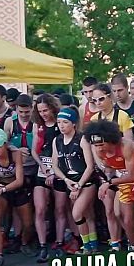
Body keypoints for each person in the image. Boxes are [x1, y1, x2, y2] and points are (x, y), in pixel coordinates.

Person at [84, 120, 134, 251]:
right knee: (127, 220)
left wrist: (109, 183)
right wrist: (106, 179)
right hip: (124, 182)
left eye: (101, 144)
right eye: (95, 145)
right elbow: (110, 170)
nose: (98, 148)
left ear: (110, 140)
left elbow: (133, 176)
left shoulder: (126, 146)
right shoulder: (99, 151)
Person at [51, 108, 99, 254]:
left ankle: (87, 247)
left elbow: (90, 166)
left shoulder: (82, 139)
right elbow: (55, 165)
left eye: (65, 122)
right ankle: (93, 244)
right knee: (87, 214)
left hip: (85, 181)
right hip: (70, 181)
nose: (61, 125)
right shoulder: (57, 140)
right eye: (59, 122)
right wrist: (66, 180)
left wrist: (78, 185)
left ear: (73, 124)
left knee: (77, 213)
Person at [0, 129, 30, 266]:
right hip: (2, 189)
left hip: (16, 188)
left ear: (5, 145)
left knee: (28, 223)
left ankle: (24, 242)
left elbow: (19, 180)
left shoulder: (15, 155)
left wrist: (3, 189)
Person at [2, 94, 37, 255]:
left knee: (32, 207)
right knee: (15, 207)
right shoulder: (10, 122)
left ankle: (28, 238)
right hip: (16, 168)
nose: (24, 115)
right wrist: (15, 149)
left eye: (27, 112)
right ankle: (16, 238)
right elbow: (3, 142)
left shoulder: (36, 123)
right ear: (16, 109)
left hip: (33, 167)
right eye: (21, 112)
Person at [31, 94, 63, 262]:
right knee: (40, 208)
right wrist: (43, 167)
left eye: (45, 110)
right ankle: (43, 245)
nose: (43, 114)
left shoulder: (60, 122)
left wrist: (53, 170)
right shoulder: (38, 126)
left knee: (60, 209)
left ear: (52, 108)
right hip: (42, 168)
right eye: (40, 111)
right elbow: (34, 150)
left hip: (58, 169)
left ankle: (59, 242)